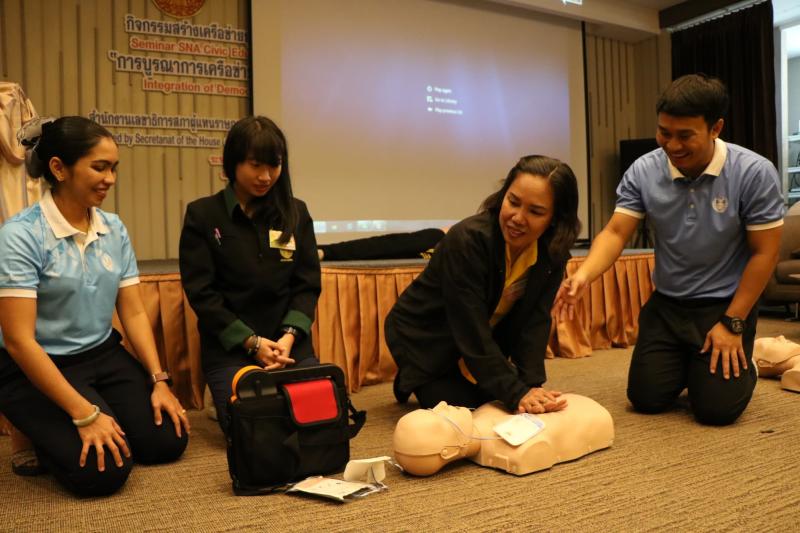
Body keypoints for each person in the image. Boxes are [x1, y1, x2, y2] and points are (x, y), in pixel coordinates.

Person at [553, 74, 785, 426]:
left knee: (716, 411)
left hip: (724, 305)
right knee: (646, 399)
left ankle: (744, 363)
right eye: (664, 132)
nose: (672, 145)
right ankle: (692, 363)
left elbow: (764, 254)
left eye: (685, 135)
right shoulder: (644, 170)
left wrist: (733, 322)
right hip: (667, 305)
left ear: (715, 128)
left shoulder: (753, 172)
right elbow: (616, 232)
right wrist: (583, 275)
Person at [0, 116, 189, 497]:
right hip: (37, 364)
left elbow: (133, 312)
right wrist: (84, 414)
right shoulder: (20, 235)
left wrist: (159, 380)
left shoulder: (113, 228)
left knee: (167, 439)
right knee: (103, 472)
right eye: (99, 167)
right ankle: (33, 433)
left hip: (101, 353)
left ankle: (75, 421)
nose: (110, 179)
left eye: (114, 168)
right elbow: (19, 341)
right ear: (59, 168)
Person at [385, 155, 581, 414]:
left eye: (535, 212)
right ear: (503, 195)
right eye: (513, 202)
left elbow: (536, 321)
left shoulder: (553, 252)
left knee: (501, 396)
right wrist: (515, 392)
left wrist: (531, 385)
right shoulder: (467, 240)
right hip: (426, 334)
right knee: (468, 407)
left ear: (555, 218)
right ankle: (413, 373)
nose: (518, 218)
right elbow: (469, 327)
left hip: (480, 330)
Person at [179, 116, 321, 434]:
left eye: (274, 165)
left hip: (288, 346)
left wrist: (288, 338)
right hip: (231, 349)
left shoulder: (296, 213)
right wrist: (252, 343)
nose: (266, 176)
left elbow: (307, 285)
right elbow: (202, 293)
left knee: (314, 420)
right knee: (255, 431)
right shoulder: (204, 214)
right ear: (233, 162)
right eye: (256, 165)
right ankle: (222, 398)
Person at [393, 396, 614, 477]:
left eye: (431, 409)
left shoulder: (482, 410)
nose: (442, 404)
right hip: (592, 414)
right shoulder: (516, 451)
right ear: (448, 452)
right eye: (440, 418)